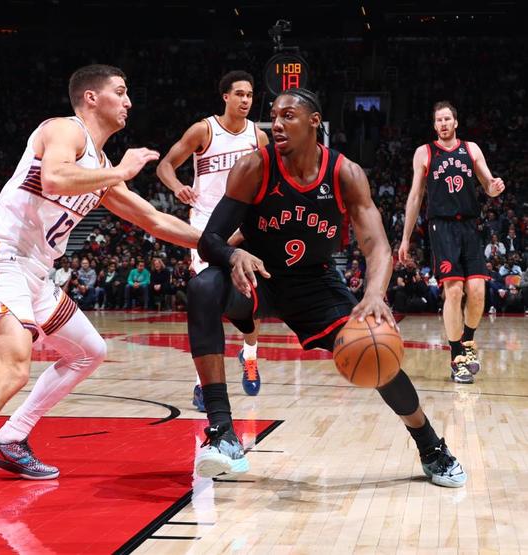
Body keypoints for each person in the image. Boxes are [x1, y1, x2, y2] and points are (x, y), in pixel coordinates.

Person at [0, 64, 200, 525]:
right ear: (91, 97)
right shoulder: (64, 130)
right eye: (120, 91)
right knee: (11, 367)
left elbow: (155, 221)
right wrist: (120, 171)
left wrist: (223, 246)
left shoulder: (102, 169)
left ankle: (10, 440)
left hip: (36, 275)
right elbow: (54, 178)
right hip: (0, 258)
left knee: (89, 351)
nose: (129, 101)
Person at [187, 88, 466, 489]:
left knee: (374, 350)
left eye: (288, 116)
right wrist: (234, 256)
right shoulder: (255, 167)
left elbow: (377, 247)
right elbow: (209, 240)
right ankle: (222, 432)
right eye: (274, 116)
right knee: (202, 286)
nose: (276, 124)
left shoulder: (344, 173)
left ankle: (431, 446)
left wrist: (374, 294)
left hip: (315, 283)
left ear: (314, 122)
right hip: (259, 276)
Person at [157, 70, 270, 408]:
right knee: (207, 300)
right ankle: (203, 384)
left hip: (243, 226)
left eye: (250, 95)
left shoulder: (258, 137)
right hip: (206, 226)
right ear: (225, 97)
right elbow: (165, 165)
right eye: (240, 94)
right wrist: (178, 187)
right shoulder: (204, 130)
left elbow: (270, 183)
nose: (246, 100)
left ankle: (250, 353)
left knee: (251, 299)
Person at [399, 101, 504, 384]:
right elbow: (415, 196)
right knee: (454, 291)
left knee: (478, 290)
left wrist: (494, 187)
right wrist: (406, 238)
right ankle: (456, 357)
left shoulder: (471, 149)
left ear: (455, 122)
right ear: (434, 125)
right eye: (439, 120)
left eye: (447, 119)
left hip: (469, 225)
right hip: (441, 226)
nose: (443, 124)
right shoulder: (424, 152)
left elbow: (488, 184)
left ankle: (467, 341)